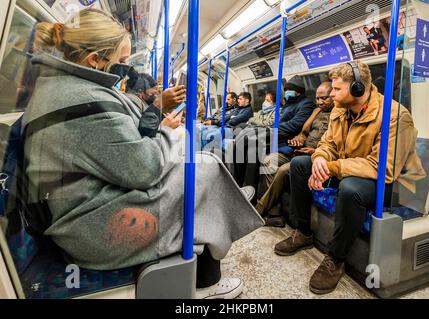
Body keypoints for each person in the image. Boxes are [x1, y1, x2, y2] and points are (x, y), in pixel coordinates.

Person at [25, 9, 263, 299]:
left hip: (89, 203)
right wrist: (162, 128)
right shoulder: (83, 100)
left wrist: (155, 121)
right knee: (202, 170)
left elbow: (120, 127)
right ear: (95, 60)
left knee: (198, 165)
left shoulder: (68, 87)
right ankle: (206, 280)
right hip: (91, 227)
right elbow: (145, 169)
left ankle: (224, 199)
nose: (125, 68)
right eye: (121, 62)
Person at [274, 62, 425, 294]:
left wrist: (331, 167)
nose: (331, 94)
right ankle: (303, 231)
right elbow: (328, 143)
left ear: (357, 89)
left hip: (390, 185)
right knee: (300, 164)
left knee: (350, 187)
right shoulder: (340, 109)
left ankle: (335, 258)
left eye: (336, 89)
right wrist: (320, 160)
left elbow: (382, 168)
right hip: (350, 169)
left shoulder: (395, 117)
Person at [256, 82, 334, 226]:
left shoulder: (338, 115)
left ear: (334, 95)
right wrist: (299, 138)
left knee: (283, 170)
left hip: (316, 155)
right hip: (299, 149)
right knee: (268, 161)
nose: (320, 102)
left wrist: (315, 151)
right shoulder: (316, 111)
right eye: (318, 98)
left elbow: (334, 146)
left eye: (325, 98)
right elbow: (304, 132)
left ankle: (259, 209)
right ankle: (274, 213)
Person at [230, 76, 316, 191]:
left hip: (284, 138)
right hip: (276, 134)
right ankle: (239, 185)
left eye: (289, 90)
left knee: (249, 144)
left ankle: (248, 190)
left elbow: (293, 125)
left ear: (298, 92)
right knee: (245, 144)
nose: (286, 92)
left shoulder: (306, 104)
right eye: (285, 90)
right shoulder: (288, 105)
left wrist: (270, 129)